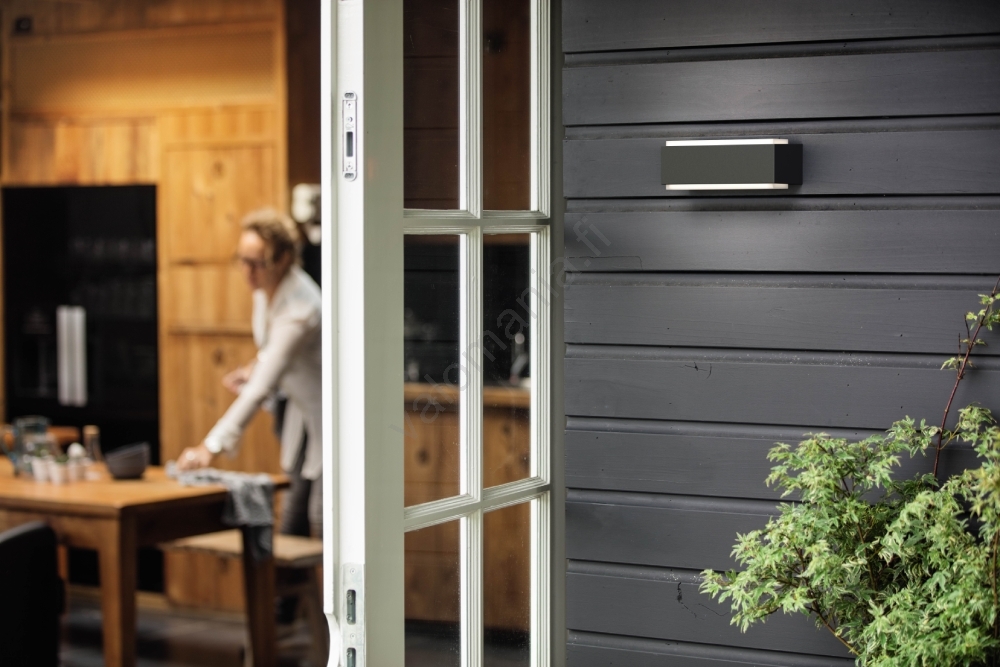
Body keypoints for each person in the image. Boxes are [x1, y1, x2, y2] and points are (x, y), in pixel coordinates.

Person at [177, 208, 323, 538]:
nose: (248, 271)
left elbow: (260, 389)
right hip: (300, 416)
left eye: (257, 263)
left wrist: (210, 447)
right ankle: (284, 576)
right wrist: (251, 368)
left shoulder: (301, 308)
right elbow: (273, 350)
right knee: (292, 518)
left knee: (322, 519)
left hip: (334, 420)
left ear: (283, 259)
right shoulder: (265, 288)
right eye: (242, 260)